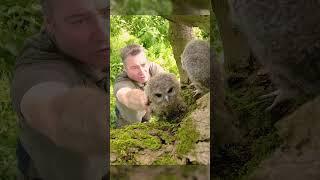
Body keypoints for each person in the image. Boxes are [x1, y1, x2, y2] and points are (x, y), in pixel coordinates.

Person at [10, 0, 109, 179]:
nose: (103, 33)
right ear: (50, 25)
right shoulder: (37, 67)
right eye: (79, 21)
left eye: (108, 13)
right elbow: (53, 110)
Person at [114, 44, 165, 128]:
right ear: (125, 69)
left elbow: (168, 83)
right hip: (128, 124)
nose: (142, 71)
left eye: (143, 64)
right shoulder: (121, 81)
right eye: (134, 68)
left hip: (149, 119)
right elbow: (124, 95)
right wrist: (142, 99)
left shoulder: (153, 69)